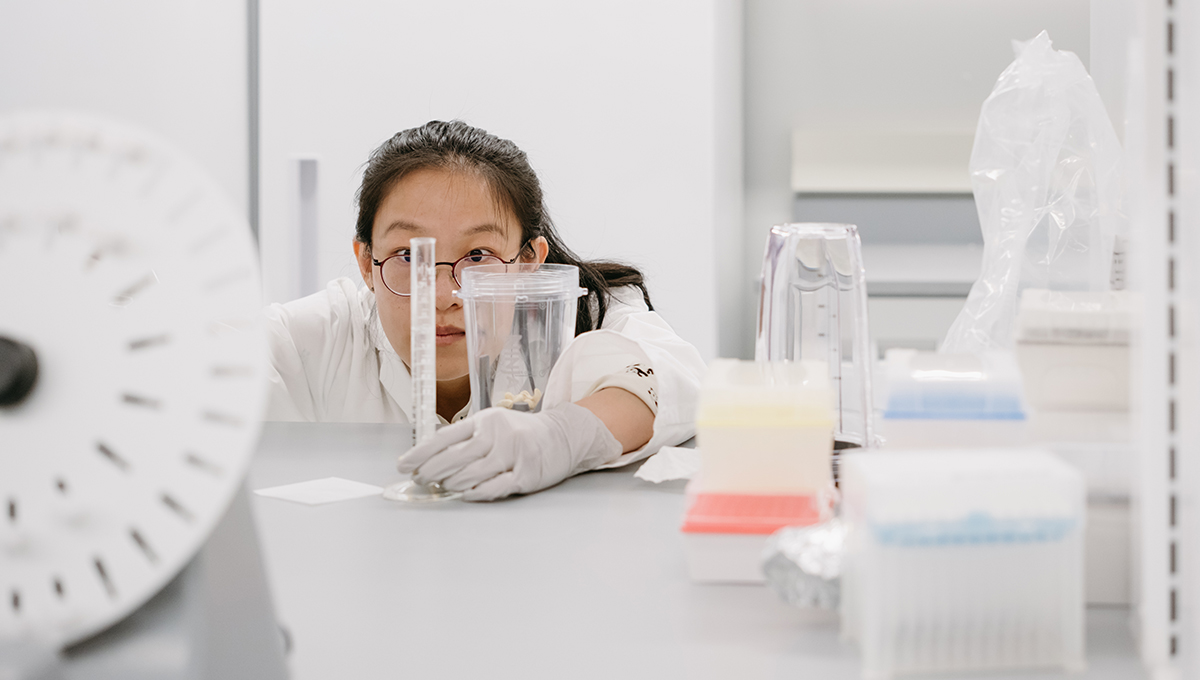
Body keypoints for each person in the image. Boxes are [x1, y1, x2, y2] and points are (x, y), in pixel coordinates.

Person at [265, 120, 705, 500]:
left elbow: (678, 379)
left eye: (477, 256)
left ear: (529, 261)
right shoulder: (319, 337)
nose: (442, 295)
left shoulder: (583, 315)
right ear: (366, 262)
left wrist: (562, 436)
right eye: (406, 255)